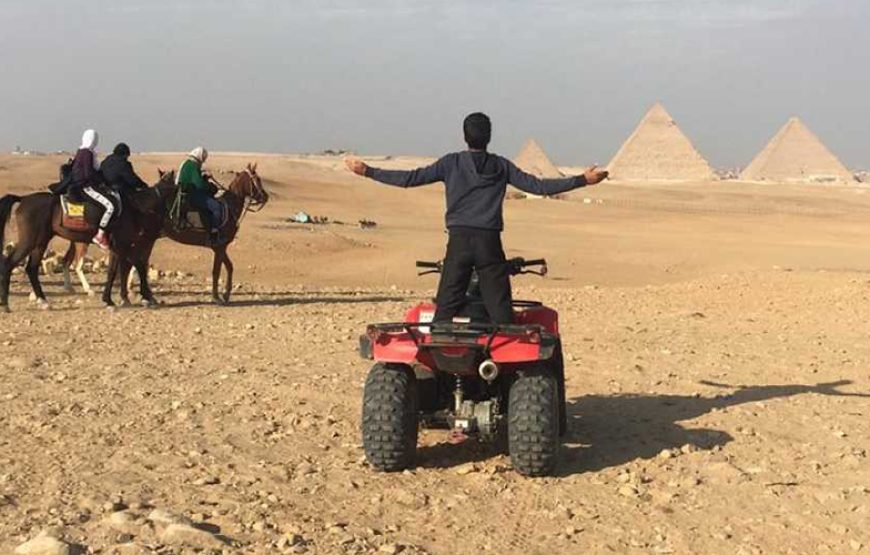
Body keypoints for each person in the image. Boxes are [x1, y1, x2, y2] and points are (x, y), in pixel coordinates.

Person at [346, 112, 609, 325]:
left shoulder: (451, 163)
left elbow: (410, 179)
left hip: (458, 243)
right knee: (502, 317)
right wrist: (582, 180)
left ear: (464, 136)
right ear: (489, 137)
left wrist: (368, 171)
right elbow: (538, 187)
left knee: (444, 313)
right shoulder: (501, 166)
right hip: (489, 244)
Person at [69, 129, 115, 250]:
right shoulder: (87, 153)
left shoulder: (82, 151)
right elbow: (88, 173)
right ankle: (100, 235)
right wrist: (100, 182)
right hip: (85, 187)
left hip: (82, 184)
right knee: (110, 206)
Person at [176, 147, 223, 244]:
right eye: (203, 158)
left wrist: (203, 177)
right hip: (191, 194)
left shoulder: (187, 163)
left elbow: (194, 179)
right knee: (216, 207)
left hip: (185, 193)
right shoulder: (193, 166)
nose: (203, 160)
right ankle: (213, 233)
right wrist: (210, 186)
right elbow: (199, 184)